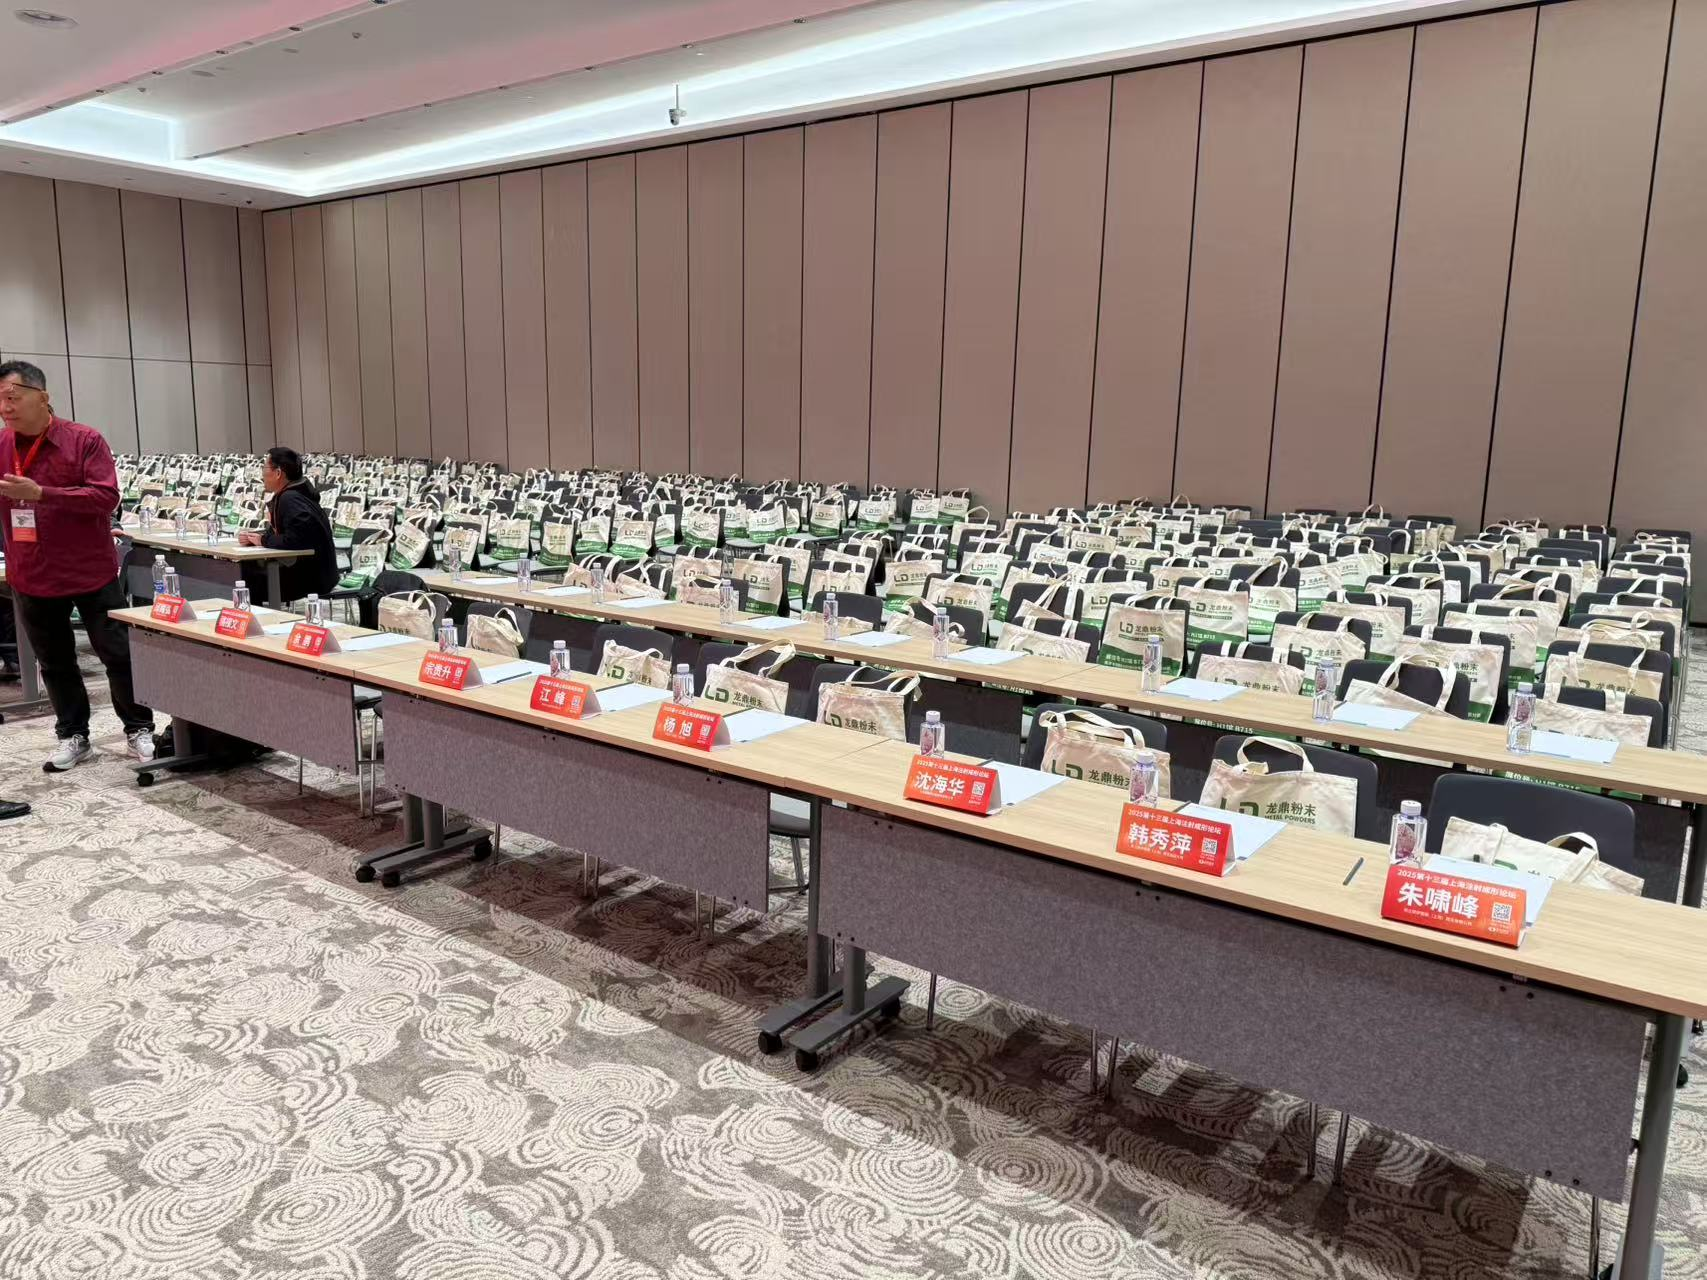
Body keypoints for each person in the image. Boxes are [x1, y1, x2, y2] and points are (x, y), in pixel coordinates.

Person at [0, 361, 154, 770]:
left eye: (12, 397)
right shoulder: (1, 445)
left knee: (117, 654)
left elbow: (106, 498)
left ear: (42, 397)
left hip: (89, 571)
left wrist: (42, 493)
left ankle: (138, 727)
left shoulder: (84, 440)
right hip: (32, 572)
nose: (5, 408)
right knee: (55, 662)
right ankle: (73, 734)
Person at [238, 446, 337, 602]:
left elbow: (297, 540)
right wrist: (256, 537)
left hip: (310, 578)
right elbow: (284, 532)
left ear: (278, 473)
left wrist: (263, 540)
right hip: (310, 572)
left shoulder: (291, 499)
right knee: (245, 571)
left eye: (264, 468)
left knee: (242, 578)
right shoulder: (293, 494)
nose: (262, 474)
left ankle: (258, 617)